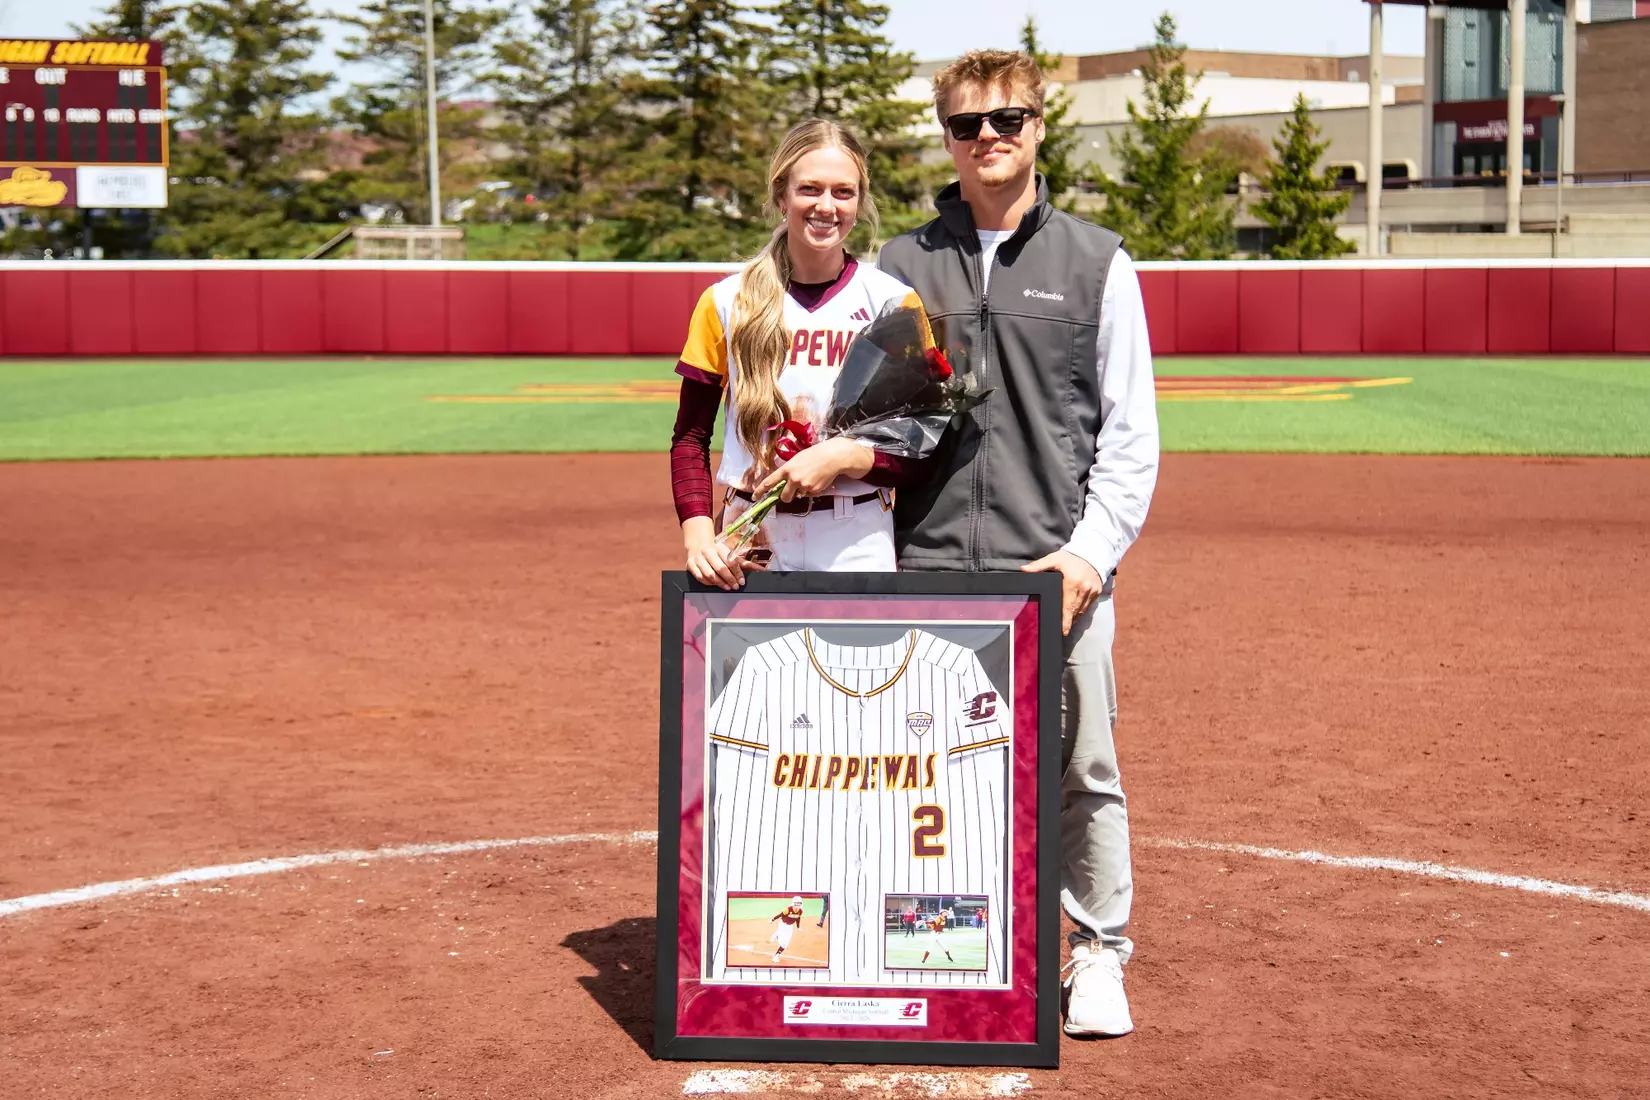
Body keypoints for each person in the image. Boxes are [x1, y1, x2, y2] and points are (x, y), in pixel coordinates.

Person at [876, 49, 1160, 1039]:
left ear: (1040, 126)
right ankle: (942, 945)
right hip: (929, 570)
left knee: (1083, 766)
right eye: (967, 124)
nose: (987, 138)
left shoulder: (1097, 261)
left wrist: (1087, 554)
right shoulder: (899, 267)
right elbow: (868, 424)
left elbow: (1130, 440)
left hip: (1057, 568)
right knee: (927, 767)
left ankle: (1096, 952)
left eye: (1007, 119)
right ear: (944, 136)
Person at [670, 119, 931, 589]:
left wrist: (845, 457)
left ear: (860, 201)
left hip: (856, 536)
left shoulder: (892, 303)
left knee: (853, 665)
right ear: (781, 196)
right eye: (809, 189)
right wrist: (698, 534)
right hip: (750, 536)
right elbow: (690, 437)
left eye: (843, 192)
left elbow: (917, 449)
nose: (826, 206)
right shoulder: (727, 301)